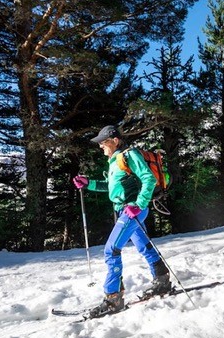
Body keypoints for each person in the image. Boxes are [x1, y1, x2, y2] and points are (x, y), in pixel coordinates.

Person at [72, 125, 171, 318]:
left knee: (111, 249)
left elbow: (148, 179)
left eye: (103, 142)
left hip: (132, 210)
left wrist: (139, 204)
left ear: (115, 140)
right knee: (143, 245)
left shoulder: (129, 154)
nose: (100, 146)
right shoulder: (114, 161)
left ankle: (113, 298)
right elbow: (111, 189)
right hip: (124, 209)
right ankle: (162, 280)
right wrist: (88, 183)